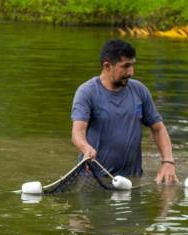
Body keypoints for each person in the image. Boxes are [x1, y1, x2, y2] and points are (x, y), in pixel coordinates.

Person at [71, 39, 178, 184]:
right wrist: (85, 147)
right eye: (125, 66)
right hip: (93, 179)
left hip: (133, 178)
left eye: (132, 65)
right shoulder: (86, 92)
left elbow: (158, 128)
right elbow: (77, 132)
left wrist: (168, 162)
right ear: (107, 66)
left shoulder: (139, 90)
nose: (131, 72)